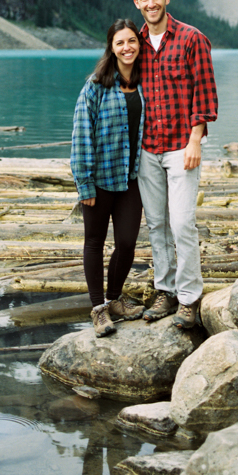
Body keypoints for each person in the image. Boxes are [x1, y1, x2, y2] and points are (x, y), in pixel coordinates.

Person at [133, 0, 218, 329]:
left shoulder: (191, 38)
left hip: (181, 146)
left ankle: (189, 298)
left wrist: (195, 139)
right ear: (136, 4)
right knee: (156, 225)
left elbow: (206, 93)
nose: (151, 3)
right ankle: (164, 291)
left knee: (182, 222)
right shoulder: (133, 43)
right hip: (146, 150)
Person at [71, 18, 146, 337]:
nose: (127, 47)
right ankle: (99, 308)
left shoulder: (146, 83)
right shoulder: (96, 85)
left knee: (127, 242)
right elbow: (81, 135)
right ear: (111, 47)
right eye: (120, 43)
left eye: (132, 41)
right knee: (94, 242)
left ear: (139, 45)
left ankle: (115, 299)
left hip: (131, 178)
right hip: (99, 179)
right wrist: (84, 182)